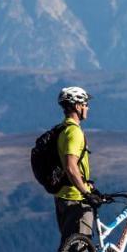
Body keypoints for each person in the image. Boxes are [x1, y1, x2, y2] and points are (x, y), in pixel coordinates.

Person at [54, 85, 98, 242]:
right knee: (78, 246)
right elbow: (71, 166)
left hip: (62, 195)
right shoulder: (74, 132)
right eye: (86, 104)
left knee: (69, 243)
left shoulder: (62, 128)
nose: (87, 108)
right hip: (75, 198)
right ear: (77, 106)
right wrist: (86, 193)